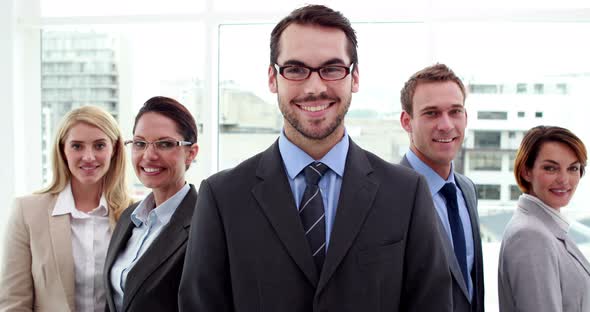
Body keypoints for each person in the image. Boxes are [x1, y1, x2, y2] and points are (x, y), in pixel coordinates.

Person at [178, 5, 452, 311]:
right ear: (273, 78)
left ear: (355, 77)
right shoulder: (222, 197)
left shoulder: (406, 193)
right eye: (295, 69)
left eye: (332, 69)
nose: (314, 87)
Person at [0, 106, 132, 312]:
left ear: (114, 148)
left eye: (99, 145)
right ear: (63, 149)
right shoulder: (27, 212)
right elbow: (13, 302)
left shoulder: (134, 214)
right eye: (77, 146)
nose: (88, 157)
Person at [399, 63, 485, 312]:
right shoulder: (386, 195)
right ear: (407, 121)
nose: (446, 125)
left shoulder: (467, 189)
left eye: (455, 112)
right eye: (432, 113)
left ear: (465, 117)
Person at [103, 96, 199, 312]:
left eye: (164, 144)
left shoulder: (206, 222)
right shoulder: (129, 217)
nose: (149, 155)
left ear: (190, 153)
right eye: (139, 144)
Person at [498, 125, 590, 312]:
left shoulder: (546, 228)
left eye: (573, 168)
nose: (564, 179)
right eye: (551, 168)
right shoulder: (530, 236)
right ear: (526, 171)